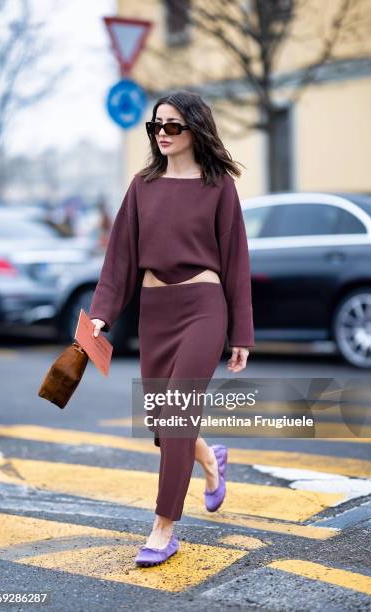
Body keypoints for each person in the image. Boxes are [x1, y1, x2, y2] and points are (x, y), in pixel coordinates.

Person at [88, 90, 255, 567]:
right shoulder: (142, 185)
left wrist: (240, 333)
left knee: (177, 412)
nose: (161, 133)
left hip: (204, 307)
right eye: (155, 126)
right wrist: (102, 315)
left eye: (172, 126)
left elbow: (237, 262)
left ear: (195, 129)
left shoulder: (218, 185)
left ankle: (163, 528)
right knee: (165, 422)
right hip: (155, 312)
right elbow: (119, 259)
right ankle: (209, 458)